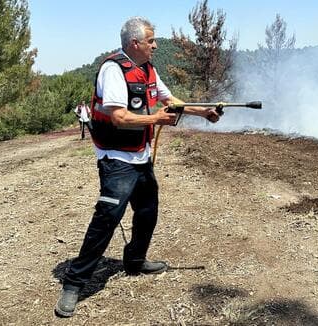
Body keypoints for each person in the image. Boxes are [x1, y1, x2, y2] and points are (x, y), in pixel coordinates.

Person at [55, 16, 221, 318]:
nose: (156, 45)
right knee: (107, 218)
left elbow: (170, 101)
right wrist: (156, 119)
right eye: (151, 40)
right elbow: (119, 117)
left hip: (141, 157)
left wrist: (203, 112)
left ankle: (134, 260)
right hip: (117, 159)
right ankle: (74, 282)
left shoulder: (148, 70)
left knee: (147, 212)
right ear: (135, 43)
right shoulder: (113, 70)